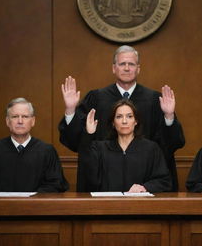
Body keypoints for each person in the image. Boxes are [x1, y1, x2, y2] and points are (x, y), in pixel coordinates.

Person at [59, 45, 185, 191]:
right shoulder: (96, 98)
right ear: (114, 68)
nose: (126, 68)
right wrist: (70, 109)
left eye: (131, 64)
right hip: (104, 181)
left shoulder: (155, 100)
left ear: (138, 69)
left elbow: (171, 144)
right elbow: (77, 142)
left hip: (144, 180)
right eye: (122, 64)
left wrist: (169, 116)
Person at [80, 99, 172, 192]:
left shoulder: (151, 149)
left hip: (140, 204)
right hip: (108, 205)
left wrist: (145, 187)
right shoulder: (100, 149)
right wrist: (89, 134)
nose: (124, 121)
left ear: (136, 121)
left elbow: (164, 181)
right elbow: (88, 175)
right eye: (119, 117)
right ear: (113, 122)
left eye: (129, 116)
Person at [0, 98, 69, 192]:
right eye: (15, 116)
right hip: (0, 206)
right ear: (7, 121)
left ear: (33, 121)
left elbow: (55, 184)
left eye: (25, 116)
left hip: (36, 205)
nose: (20, 121)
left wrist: (33, 199)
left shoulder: (46, 151)